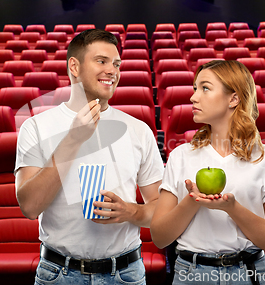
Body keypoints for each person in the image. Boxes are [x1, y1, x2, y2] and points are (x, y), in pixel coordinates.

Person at [15, 29, 164, 284]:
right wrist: (73, 139)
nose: (112, 71)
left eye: (116, 64)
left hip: (125, 274)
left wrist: (130, 212)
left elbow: (162, 210)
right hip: (59, 273)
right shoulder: (36, 127)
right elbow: (29, 207)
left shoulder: (139, 130)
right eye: (101, 61)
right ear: (74, 66)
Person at [150, 60, 265, 285]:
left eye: (205, 88)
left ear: (233, 99)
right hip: (191, 274)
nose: (193, 97)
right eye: (195, 88)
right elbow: (159, 237)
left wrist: (231, 208)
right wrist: (193, 201)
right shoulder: (180, 156)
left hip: (249, 273)